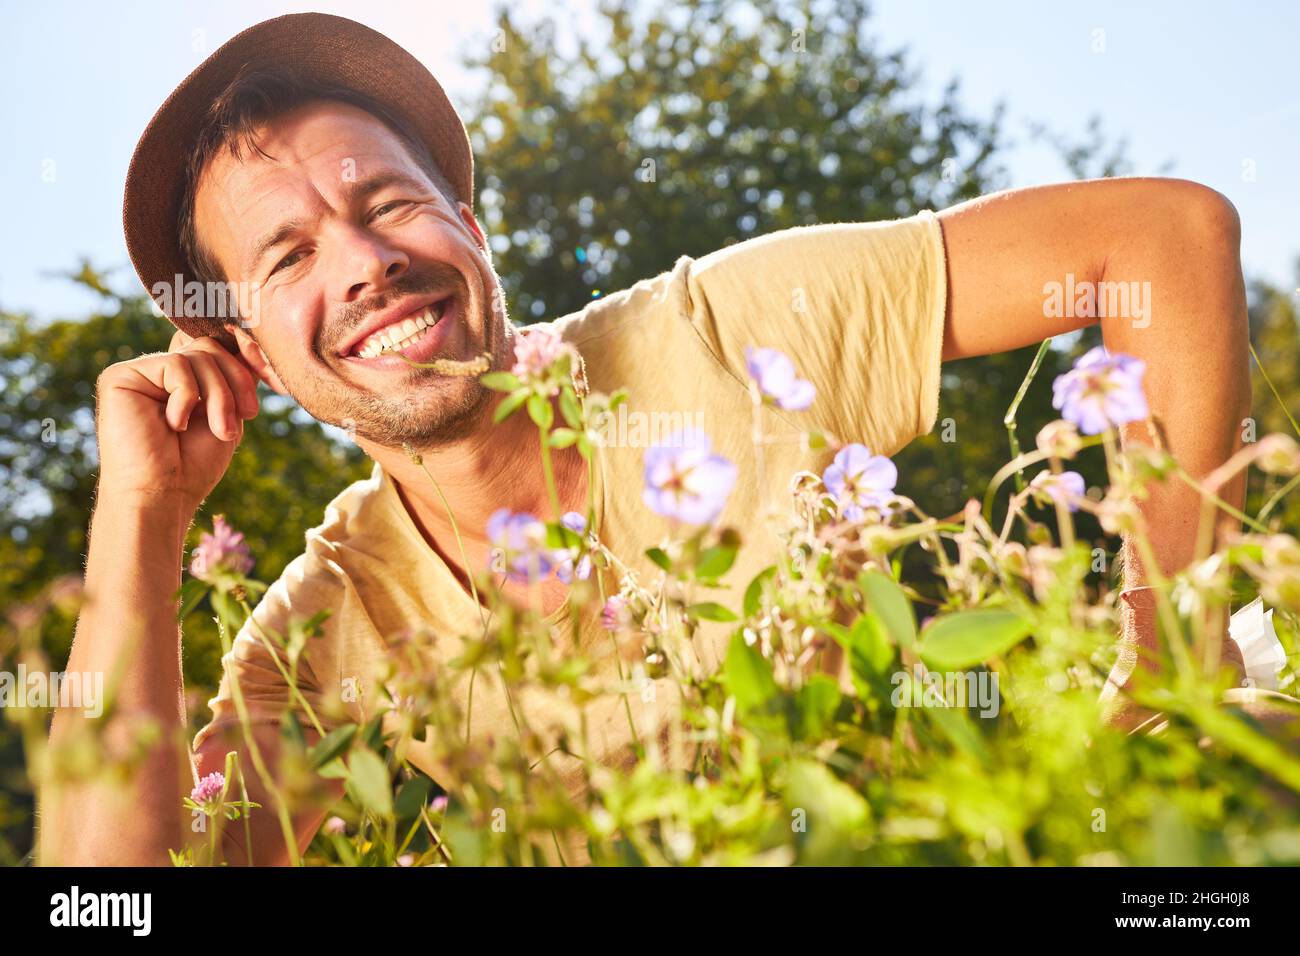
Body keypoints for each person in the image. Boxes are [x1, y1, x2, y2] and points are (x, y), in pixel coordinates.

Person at [42, 14, 1258, 866]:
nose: (367, 264)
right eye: (289, 256)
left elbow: (1160, 240)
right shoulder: (323, 632)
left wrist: (1164, 676)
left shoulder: (727, 327)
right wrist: (141, 523)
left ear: (468, 226)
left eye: (390, 202)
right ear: (250, 352)